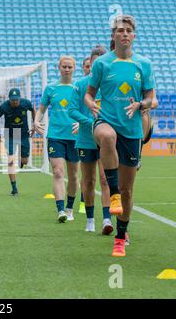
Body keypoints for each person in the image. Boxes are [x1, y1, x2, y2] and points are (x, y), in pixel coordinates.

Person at [85, 15, 155, 257]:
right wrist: (91, 104)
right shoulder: (102, 64)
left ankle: (121, 235)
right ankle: (112, 195)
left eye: (128, 30)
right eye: (119, 30)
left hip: (132, 129)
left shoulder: (143, 64)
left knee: (128, 190)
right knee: (106, 136)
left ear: (133, 35)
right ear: (113, 36)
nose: (124, 33)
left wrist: (141, 105)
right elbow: (89, 94)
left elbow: (151, 98)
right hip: (106, 119)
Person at [69, 45, 113, 235]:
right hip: (86, 139)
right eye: (94, 64)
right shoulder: (80, 85)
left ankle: (106, 219)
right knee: (88, 181)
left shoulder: (111, 85)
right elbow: (71, 110)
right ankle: (89, 220)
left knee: (105, 179)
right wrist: (90, 122)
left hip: (106, 140)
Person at [34, 56, 80, 223]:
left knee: (74, 175)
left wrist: (81, 124)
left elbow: (85, 112)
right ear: (59, 68)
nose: (67, 69)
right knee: (58, 172)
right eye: (64, 67)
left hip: (75, 137)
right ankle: (60, 210)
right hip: (55, 136)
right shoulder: (51, 88)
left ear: (74, 68)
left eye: (70, 67)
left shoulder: (79, 88)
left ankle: (69, 208)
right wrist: (36, 120)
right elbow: (41, 109)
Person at [0, 88, 35, 196]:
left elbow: (33, 110)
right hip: (10, 135)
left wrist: (35, 124)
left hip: (23, 134)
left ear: (20, 98)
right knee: (10, 161)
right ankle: (14, 188)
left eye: (16, 100)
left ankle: (22, 159)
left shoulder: (26, 103)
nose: (14, 102)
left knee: (25, 161)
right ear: (9, 99)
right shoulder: (4, 107)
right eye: (12, 100)